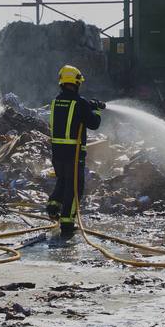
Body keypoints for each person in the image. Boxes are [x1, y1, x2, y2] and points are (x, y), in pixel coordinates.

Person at [46, 65, 104, 236]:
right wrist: (96, 109)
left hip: (57, 153)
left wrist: (88, 105)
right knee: (75, 187)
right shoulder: (80, 103)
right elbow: (94, 124)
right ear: (77, 82)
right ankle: (67, 224)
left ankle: (53, 206)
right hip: (74, 153)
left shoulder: (56, 102)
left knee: (63, 181)